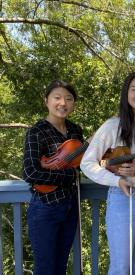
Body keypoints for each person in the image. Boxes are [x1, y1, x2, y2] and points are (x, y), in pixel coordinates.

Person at [80, 71, 135, 275]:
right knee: (121, 268)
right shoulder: (113, 126)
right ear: (126, 94)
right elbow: (87, 163)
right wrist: (115, 181)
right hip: (123, 197)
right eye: (134, 89)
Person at [23, 80, 84, 275]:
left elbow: (81, 164)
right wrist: (67, 176)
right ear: (46, 101)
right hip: (45, 207)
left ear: (73, 103)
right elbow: (30, 172)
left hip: (70, 206)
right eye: (57, 98)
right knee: (45, 268)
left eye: (68, 99)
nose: (63, 103)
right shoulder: (36, 131)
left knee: (60, 267)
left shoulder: (76, 131)